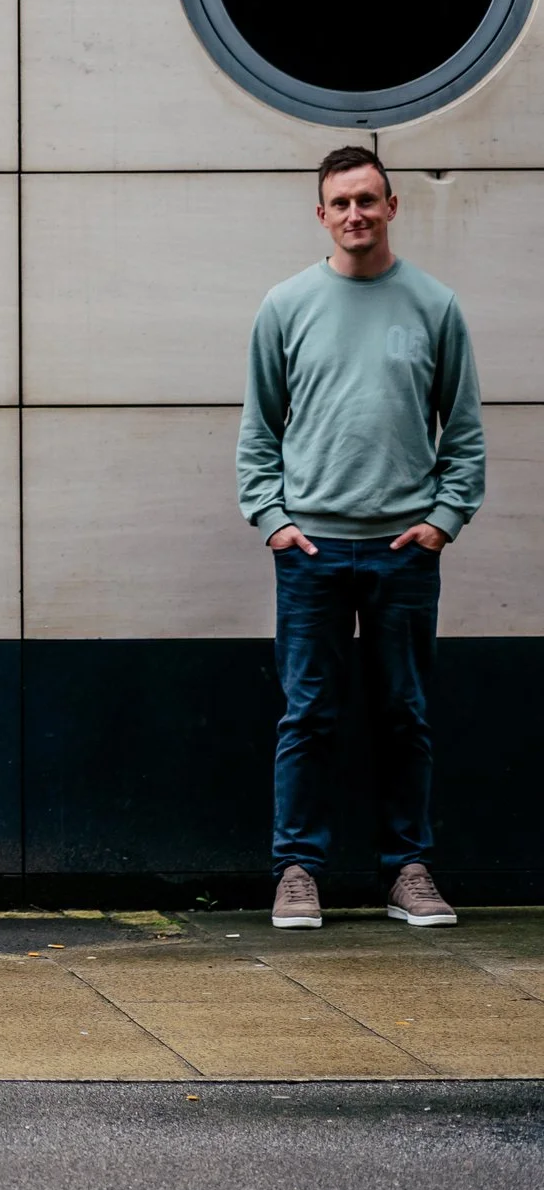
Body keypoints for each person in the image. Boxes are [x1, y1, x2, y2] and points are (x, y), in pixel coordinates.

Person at [239, 146, 484, 931]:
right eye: (340, 202)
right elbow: (258, 433)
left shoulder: (435, 305)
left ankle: (407, 869)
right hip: (311, 552)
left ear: (392, 206)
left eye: (368, 201)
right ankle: (298, 871)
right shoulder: (284, 305)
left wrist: (442, 523)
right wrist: (274, 522)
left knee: (402, 712)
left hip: (401, 553)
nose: (355, 215)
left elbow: (466, 436)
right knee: (307, 713)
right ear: (321, 214)